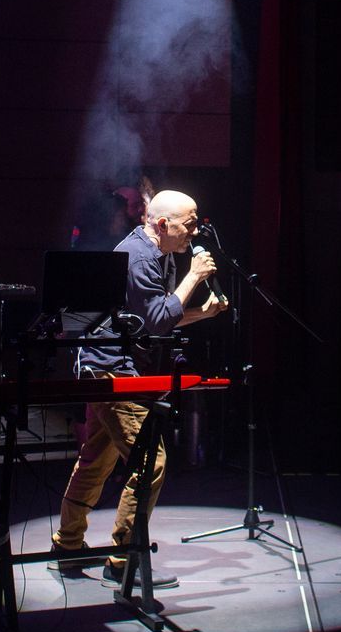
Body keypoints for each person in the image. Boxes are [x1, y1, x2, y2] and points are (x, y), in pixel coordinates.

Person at [50, 190, 229, 587]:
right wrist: (195, 277)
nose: (195, 232)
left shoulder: (160, 255)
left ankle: (67, 544)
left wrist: (202, 313)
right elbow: (157, 321)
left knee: (96, 460)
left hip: (106, 367)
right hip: (111, 370)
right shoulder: (138, 257)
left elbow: (155, 318)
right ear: (163, 225)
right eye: (189, 224)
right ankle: (125, 560)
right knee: (151, 461)